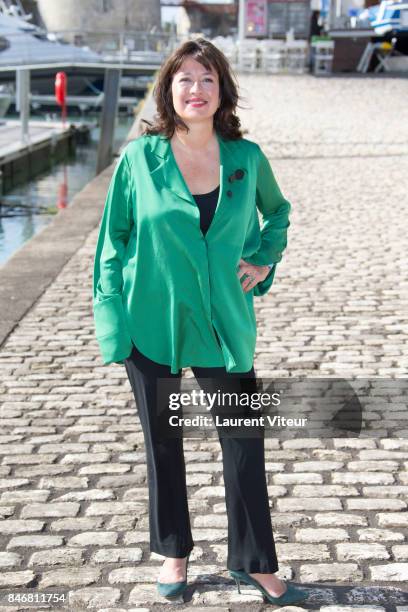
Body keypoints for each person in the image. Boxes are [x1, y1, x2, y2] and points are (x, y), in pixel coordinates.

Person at [93, 37, 308, 606]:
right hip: (151, 320)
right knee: (163, 442)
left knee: (243, 438)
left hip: (222, 324)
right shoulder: (140, 159)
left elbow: (279, 213)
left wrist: (263, 260)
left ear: (222, 91)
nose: (196, 89)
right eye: (185, 78)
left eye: (207, 79)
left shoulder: (246, 158)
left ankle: (253, 561)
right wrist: (111, 316)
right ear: (168, 88)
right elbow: (112, 241)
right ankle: (173, 553)